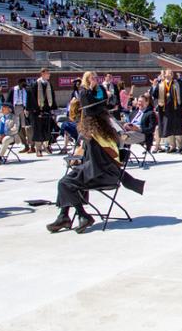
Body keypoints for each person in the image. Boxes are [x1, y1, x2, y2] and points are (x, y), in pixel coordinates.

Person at [45, 90, 145, 234]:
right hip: (109, 172)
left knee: (65, 183)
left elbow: (96, 164)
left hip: (102, 175)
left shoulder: (92, 134)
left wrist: (79, 167)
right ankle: (64, 216)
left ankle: (82, 215)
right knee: (70, 180)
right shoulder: (105, 130)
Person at [151, 69, 182, 153]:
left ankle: (180, 146)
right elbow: (154, 95)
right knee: (168, 128)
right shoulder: (160, 85)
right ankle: (172, 146)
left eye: (171, 73)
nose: (170, 74)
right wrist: (154, 86)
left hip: (176, 110)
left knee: (177, 128)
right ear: (165, 75)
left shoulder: (177, 84)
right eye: (168, 73)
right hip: (165, 110)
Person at [26, 68, 57, 158]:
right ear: (42, 73)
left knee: (47, 129)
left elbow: (52, 97)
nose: (49, 75)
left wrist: (52, 109)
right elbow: (31, 98)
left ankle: (46, 146)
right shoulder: (35, 84)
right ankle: (38, 149)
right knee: (38, 130)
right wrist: (35, 110)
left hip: (47, 110)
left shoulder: (48, 84)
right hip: (36, 111)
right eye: (47, 73)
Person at [10, 79, 32, 152]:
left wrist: (27, 108)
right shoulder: (13, 89)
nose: (23, 85)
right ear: (19, 83)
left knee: (26, 126)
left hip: (24, 107)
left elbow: (30, 99)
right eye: (22, 84)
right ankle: (25, 145)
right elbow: (9, 99)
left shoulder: (26, 90)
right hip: (15, 107)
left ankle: (31, 145)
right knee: (18, 127)